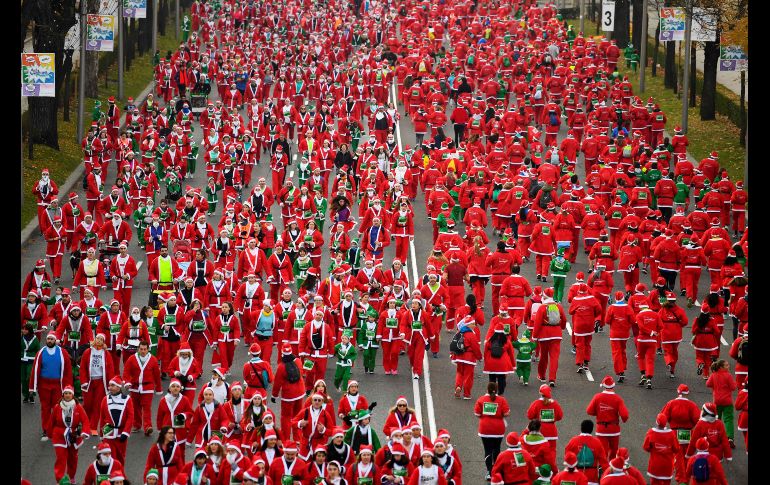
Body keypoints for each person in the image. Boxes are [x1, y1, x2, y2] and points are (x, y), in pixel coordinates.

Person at [31, 331, 74, 440]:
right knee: (45, 408)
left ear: (55, 340)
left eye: (52, 339)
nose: (49, 341)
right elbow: (35, 369)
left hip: (57, 384)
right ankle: (46, 429)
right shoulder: (41, 352)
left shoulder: (62, 352)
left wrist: (68, 387)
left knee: (57, 407)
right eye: (48, 339)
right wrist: (32, 387)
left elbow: (68, 371)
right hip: (44, 384)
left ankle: (56, 427)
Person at [49, 385, 91, 484]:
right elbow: (51, 421)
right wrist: (50, 434)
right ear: (63, 395)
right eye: (66, 393)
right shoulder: (57, 407)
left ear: (73, 395)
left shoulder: (78, 407)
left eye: (69, 393)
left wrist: (84, 432)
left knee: (73, 459)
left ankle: (71, 477)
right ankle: (60, 480)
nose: (67, 395)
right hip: (59, 435)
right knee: (61, 458)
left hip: (73, 436)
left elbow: (85, 421)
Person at [123, 340, 162, 435]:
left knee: (146, 407)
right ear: (138, 349)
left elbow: (157, 375)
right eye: (141, 349)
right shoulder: (132, 359)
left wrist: (158, 388)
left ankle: (148, 427)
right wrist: (127, 382)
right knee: (135, 407)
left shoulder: (153, 360)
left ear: (148, 349)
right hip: (134, 387)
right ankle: (137, 425)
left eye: (145, 349)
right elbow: (126, 372)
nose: (143, 351)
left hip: (148, 387)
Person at [586, 376, 629, 461]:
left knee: (602, 451)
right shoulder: (618, 399)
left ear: (603, 386)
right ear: (613, 386)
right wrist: (623, 420)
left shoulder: (597, 397)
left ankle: (602, 466)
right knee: (614, 451)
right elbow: (625, 415)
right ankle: (613, 465)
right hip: (614, 429)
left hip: (601, 429)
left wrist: (599, 413)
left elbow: (589, 411)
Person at [474, 382, 510, 480]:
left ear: (487, 389)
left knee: (488, 450)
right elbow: (506, 413)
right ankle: (497, 471)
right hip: (498, 429)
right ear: (497, 390)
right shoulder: (501, 400)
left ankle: (489, 472)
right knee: (497, 449)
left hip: (485, 429)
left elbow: (477, 414)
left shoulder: (481, 399)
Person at [532, 288, 567, 387]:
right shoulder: (558, 306)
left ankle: (542, 376)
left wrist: (534, 336)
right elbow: (564, 319)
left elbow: (537, 323)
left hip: (544, 335)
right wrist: (562, 327)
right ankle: (552, 379)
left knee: (543, 356)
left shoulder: (542, 307)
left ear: (544, 296)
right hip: (557, 334)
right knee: (554, 357)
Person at [98, 376, 134, 465]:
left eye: (112, 385)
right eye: (109, 385)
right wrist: (102, 435)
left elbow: (130, 417)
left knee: (120, 458)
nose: (110, 388)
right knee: (109, 458)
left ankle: (119, 473)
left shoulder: (127, 399)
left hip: (121, 432)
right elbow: (102, 418)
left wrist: (126, 432)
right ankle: (109, 473)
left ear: (118, 387)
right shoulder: (105, 399)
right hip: (108, 431)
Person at [564, 420, 610, 485]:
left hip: (576, 478)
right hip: (592, 479)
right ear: (592, 429)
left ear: (581, 428)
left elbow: (567, 457)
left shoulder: (573, 441)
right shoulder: (597, 443)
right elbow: (604, 462)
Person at [705, 359, 737, 448]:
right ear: (721, 367)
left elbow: (708, 384)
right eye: (726, 365)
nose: (728, 366)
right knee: (728, 419)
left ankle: (715, 437)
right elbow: (733, 387)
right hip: (727, 401)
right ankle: (729, 438)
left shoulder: (714, 375)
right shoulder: (728, 375)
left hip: (717, 401)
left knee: (716, 419)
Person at [642, 414, 681, 485]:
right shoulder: (671, 434)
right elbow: (676, 449)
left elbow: (646, 447)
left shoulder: (651, 432)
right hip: (668, 466)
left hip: (655, 465)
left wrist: (654, 450)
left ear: (657, 422)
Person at [450, 315, 482, 398]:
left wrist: (452, 354)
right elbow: (476, 348)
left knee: (459, 373)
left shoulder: (459, 332)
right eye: (473, 324)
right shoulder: (471, 335)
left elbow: (453, 344)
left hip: (459, 357)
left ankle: (458, 387)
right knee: (468, 376)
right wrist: (479, 357)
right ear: (468, 325)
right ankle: (467, 394)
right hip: (469, 358)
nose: (474, 325)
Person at [482, 327, 516, 395]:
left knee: (492, 379)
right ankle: (500, 393)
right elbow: (511, 354)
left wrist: (486, 362)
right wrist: (513, 365)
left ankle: (492, 393)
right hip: (502, 364)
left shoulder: (490, 341)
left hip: (491, 363)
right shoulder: (507, 341)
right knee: (502, 379)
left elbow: (485, 353)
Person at [21, 322, 41, 404]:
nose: (23, 330)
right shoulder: (21, 337)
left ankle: (31, 395)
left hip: (31, 361)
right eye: (23, 329)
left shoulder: (35, 339)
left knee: (29, 377)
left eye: (25, 329)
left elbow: (38, 350)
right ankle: (26, 396)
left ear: (29, 330)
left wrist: (38, 360)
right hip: (22, 360)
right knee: (23, 379)